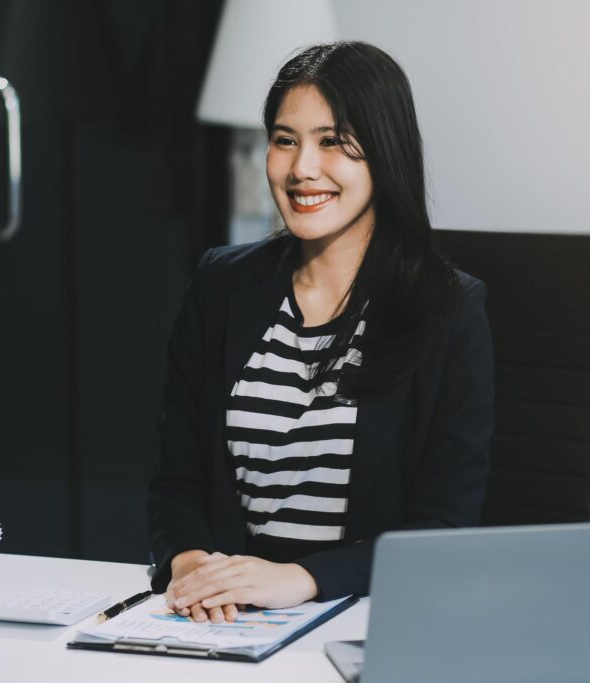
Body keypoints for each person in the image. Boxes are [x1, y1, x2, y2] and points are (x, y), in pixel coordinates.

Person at [148, 41, 494, 624]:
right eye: (285, 140)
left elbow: (443, 529)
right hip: (225, 619)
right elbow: (176, 479)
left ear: (384, 151)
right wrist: (188, 566)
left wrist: (303, 579)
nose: (301, 167)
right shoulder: (219, 285)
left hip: (365, 618)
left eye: (331, 141)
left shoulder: (448, 309)